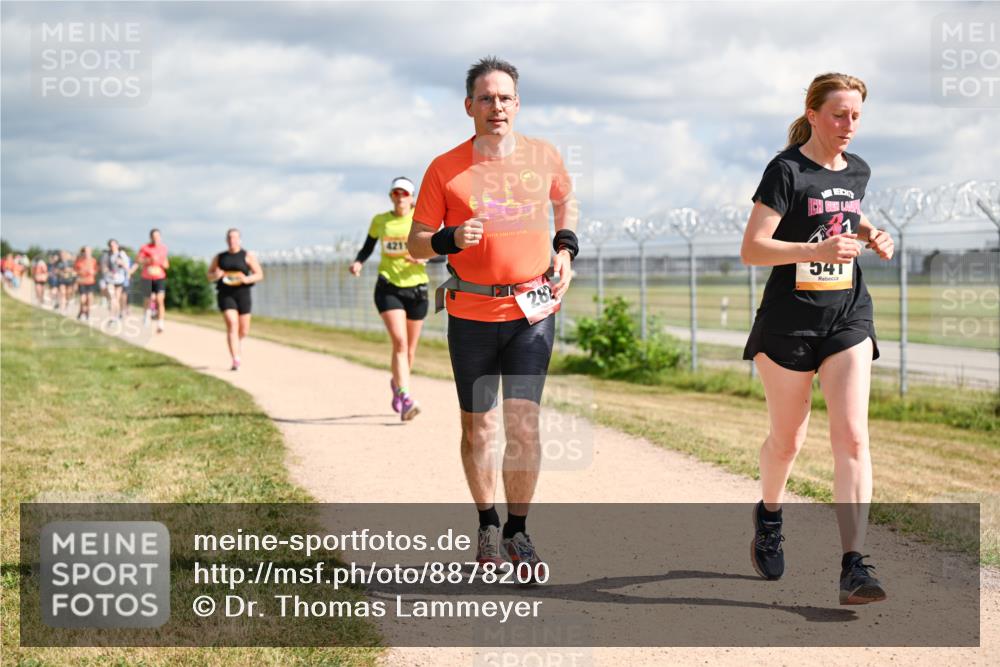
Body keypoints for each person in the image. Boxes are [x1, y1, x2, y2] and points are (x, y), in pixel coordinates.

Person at [407, 57, 578, 575]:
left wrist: (565, 250)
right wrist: (449, 238)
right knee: (479, 430)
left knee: (523, 427)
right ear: (469, 107)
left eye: (505, 97)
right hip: (472, 314)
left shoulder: (544, 155)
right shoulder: (445, 167)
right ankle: (486, 521)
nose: (496, 106)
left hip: (531, 312)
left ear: (517, 104)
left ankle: (518, 531)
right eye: (486, 98)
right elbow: (416, 245)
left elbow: (566, 203)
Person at [739, 73, 895, 605]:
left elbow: (843, 212)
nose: (848, 125)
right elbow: (754, 249)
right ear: (812, 114)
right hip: (789, 320)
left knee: (852, 437)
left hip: (848, 315)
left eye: (855, 115)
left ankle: (854, 564)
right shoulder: (785, 170)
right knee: (788, 440)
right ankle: (770, 513)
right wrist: (815, 254)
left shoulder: (858, 170)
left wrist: (872, 232)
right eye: (838, 114)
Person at [350, 176, 429, 421]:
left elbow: (440, 250)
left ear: (412, 198)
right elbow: (368, 247)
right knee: (400, 343)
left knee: (410, 351)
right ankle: (406, 397)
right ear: (391, 196)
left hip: (417, 289)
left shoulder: (422, 220)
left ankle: (397, 385)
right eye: (396, 193)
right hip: (388, 287)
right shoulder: (380, 221)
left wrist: (423, 258)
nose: (400, 197)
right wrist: (358, 262)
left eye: (405, 194)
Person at [206, 228, 263, 370]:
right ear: (227, 240)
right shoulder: (220, 257)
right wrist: (216, 276)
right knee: (232, 323)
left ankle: (238, 343)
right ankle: (235, 359)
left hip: (242, 293)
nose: (232, 240)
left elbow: (259, 274)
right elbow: (209, 275)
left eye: (235, 237)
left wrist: (247, 278)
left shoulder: (247, 256)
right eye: (230, 238)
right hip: (226, 294)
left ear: (240, 240)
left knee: (243, 330)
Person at [136, 229, 169, 333]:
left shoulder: (163, 248)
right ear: (150, 237)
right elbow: (138, 260)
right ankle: (146, 315)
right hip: (147, 277)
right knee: (148, 299)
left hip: (159, 277)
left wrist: (164, 264)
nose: (156, 239)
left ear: (160, 237)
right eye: (154, 237)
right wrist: (149, 260)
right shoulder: (145, 248)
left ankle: (160, 323)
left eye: (158, 236)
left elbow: (166, 264)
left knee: (160, 300)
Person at [101, 239, 131, 320]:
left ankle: (115, 316)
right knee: (112, 298)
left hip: (119, 280)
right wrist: (109, 272)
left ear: (117, 245)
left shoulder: (122, 254)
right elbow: (104, 267)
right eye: (111, 245)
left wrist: (121, 263)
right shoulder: (107, 255)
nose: (112, 247)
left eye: (114, 245)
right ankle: (112, 316)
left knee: (117, 299)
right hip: (110, 279)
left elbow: (127, 267)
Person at [74, 246, 99, 320]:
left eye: (89, 251)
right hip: (82, 282)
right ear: (83, 252)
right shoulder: (79, 260)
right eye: (86, 251)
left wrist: (93, 272)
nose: (87, 253)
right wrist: (80, 273)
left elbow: (96, 270)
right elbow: (75, 271)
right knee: (83, 299)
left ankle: (87, 313)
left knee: (89, 299)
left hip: (91, 282)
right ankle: (81, 311)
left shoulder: (94, 261)